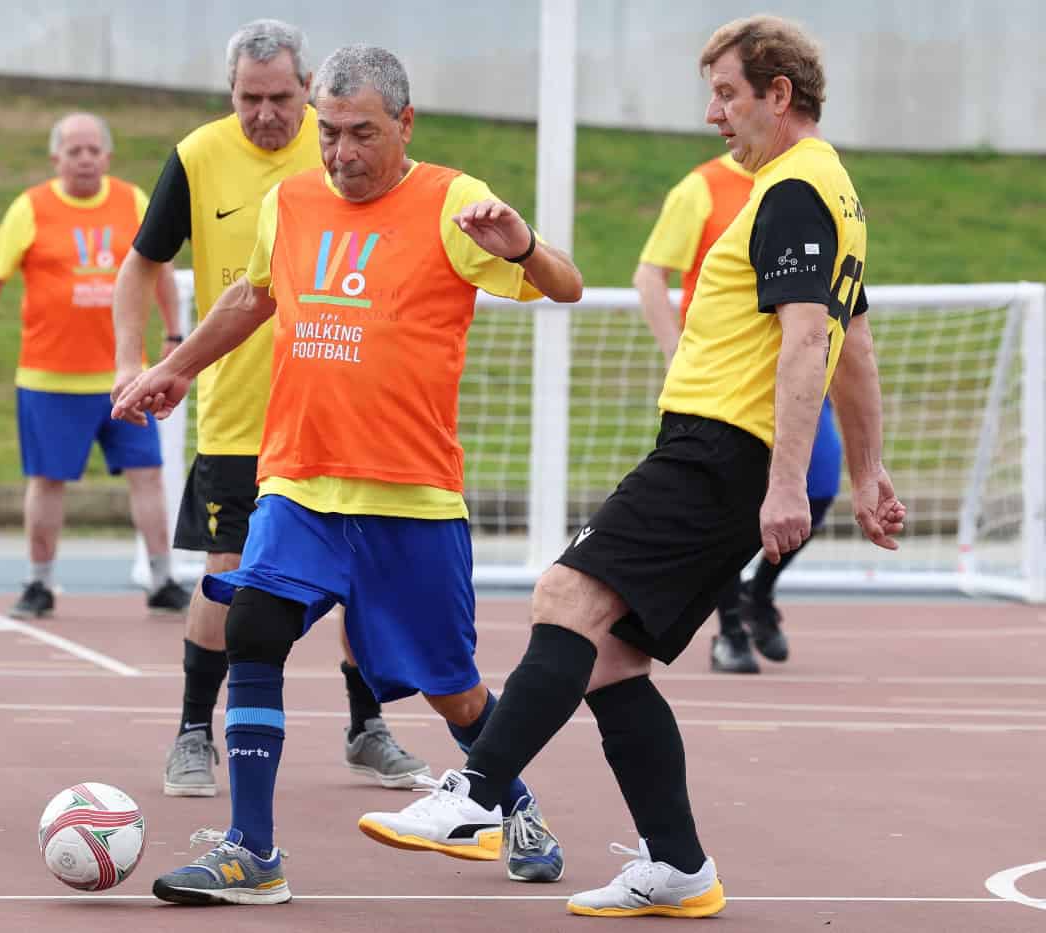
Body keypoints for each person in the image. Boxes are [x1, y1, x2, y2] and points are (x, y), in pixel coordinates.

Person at [358, 15, 905, 919]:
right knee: (610, 658)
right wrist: (868, 469)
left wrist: (784, 482)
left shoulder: (796, 188)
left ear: (779, 94)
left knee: (566, 596)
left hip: (720, 447)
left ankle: (478, 794)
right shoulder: (830, 189)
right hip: (719, 448)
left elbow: (813, 341)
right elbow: (857, 345)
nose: (713, 115)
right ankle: (679, 864)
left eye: (727, 94)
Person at [115, 44, 585, 905]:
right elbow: (254, 296)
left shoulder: (452, 202)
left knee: (452, 688)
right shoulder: (290, 200)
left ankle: (512, 800)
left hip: (410, 499)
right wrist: (175, 366)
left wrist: (523, 244)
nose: (339, 153)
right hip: (298, 481)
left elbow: (566, 286)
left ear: (404, 125)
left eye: (360, 133)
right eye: (325, 132)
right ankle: (252, 850)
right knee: (254, 626)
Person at [112, 20, 426, 799]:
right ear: (231, 95)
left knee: (361, 578)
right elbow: (141, 263)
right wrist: (135, 360)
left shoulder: (344, 151)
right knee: (228, 577)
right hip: (241, 414)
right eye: (250, 99)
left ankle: (366, 727)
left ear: (308, 88)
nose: (266, 115)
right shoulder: (197, 156)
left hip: (345, 413)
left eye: (282, 98)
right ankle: (193, 730)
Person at [0, 113, 190, 617]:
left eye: (94, 150)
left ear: (107, 156)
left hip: (124, 375)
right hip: (49, 378)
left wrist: (175, 334)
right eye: (74, 151)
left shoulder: (132, 201)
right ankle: (39, 582)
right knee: (47, 480)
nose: (85, 159)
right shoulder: (32, 208)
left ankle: (162, 579)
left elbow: (161, 271)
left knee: (148, 473)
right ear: (56, 158)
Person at [635, 145, 842, 674]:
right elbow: (650, 274)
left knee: (818, 486)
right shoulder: (700, 187)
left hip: (794, 369)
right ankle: (727, 628)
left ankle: (759, 592)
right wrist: (676, 351)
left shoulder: (810, 182)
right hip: (727, 381)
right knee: (726, 504)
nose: (719, 111)